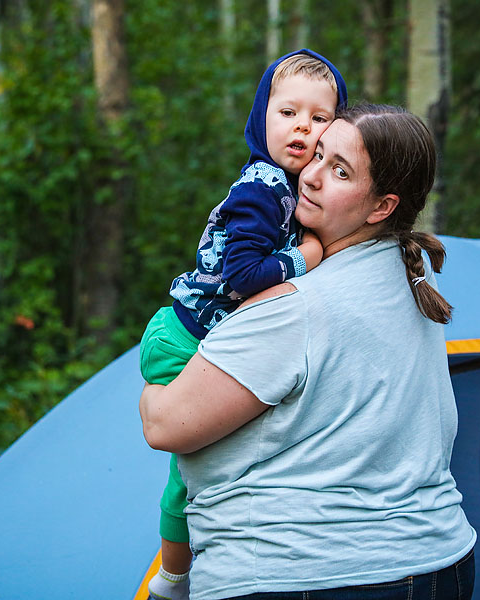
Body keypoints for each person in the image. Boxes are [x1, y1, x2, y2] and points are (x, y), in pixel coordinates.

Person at [140, 104, 477, 600]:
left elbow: (165, 425)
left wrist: (160, 362)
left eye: (340, 170)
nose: (312, 177)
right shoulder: (408, 288)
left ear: (382, 207)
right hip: (438, 565)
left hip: (302, 571)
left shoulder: (297, 306)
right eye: (318, 154)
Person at [139, 49, 348, 600]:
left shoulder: (288, 186)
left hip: (196, 331)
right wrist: (308, 257)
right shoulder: (263, 187)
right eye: (287, 113)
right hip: (183, 337)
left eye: (319, 117)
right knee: (194, 470)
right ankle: (174, 579)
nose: (302, 126)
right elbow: (242, 277)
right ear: (261, 120)